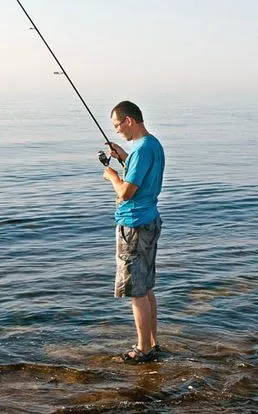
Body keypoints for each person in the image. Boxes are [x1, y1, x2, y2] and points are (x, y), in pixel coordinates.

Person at [103, 100, 165, 364]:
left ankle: (143, 350)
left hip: (134, 225)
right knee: (147, 285)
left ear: (129, 120)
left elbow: (127, 192)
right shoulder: (152, 145)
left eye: (117, 125)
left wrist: (113, 177)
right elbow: (143, 174)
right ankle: (151, 342)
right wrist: (123, 158)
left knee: (137, 291)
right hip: (150, 220)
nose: (117, 131)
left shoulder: (141, 150)